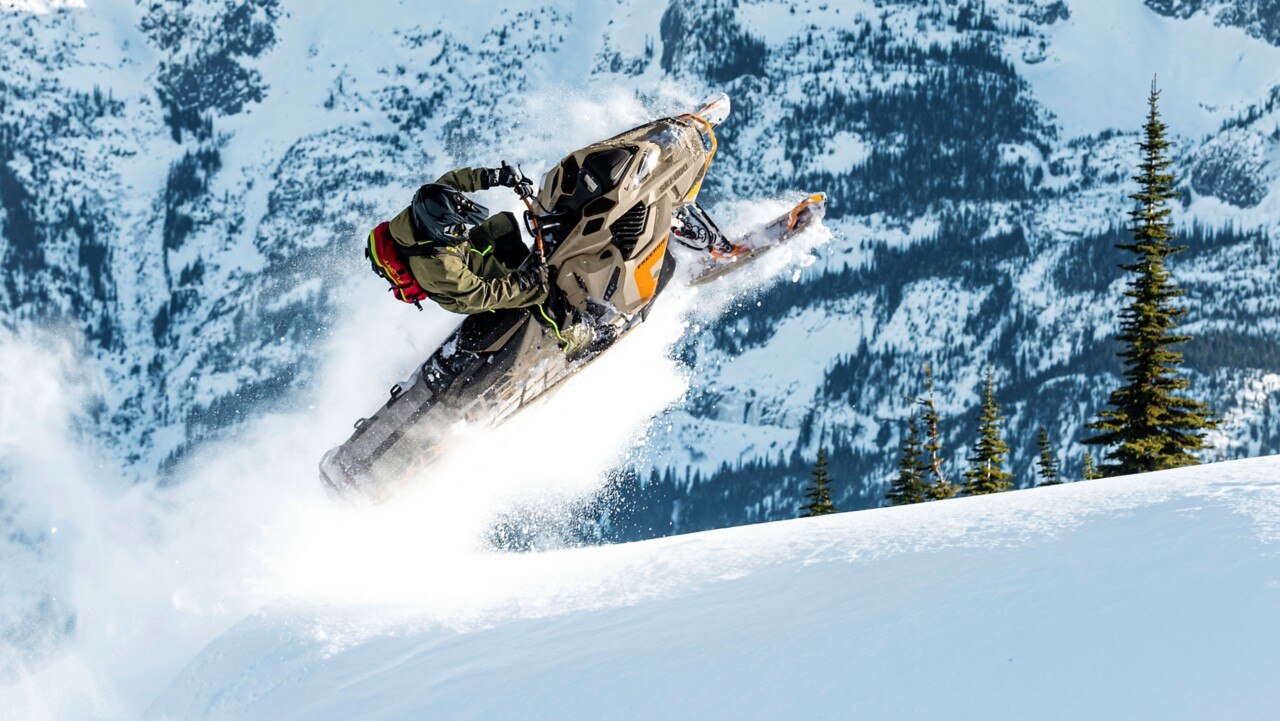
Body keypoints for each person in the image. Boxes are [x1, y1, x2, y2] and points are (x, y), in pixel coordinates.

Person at [385, 164, 547, 314]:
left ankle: (521, 270)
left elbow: (453, 181)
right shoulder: (441, 267)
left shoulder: (431, 201)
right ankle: (560, 330)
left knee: (504, 223)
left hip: (459, 250)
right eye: (455, 227)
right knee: (540, 291)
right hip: (465, 294)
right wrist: (523, 281)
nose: (461, 228)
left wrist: (495, 176)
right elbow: (481, 294)